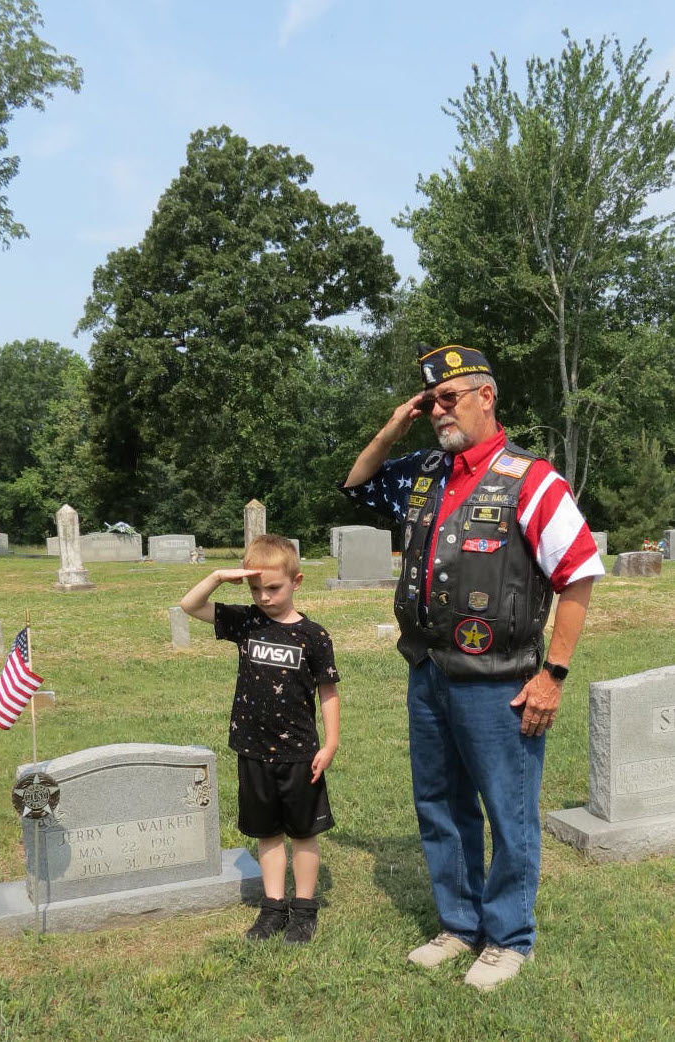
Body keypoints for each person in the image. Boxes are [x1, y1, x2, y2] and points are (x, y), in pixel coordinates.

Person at [341, 344, 604, 990]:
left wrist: (554, 675)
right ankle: (459, 925)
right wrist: (392, 426)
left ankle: (509, 937)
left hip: (501, 681)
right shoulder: (425, 471)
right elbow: (355, 485)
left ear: (486, 397)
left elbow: (577, 577)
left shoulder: (532, 479)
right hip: (429, 671)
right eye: (430, 401)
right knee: (440, 804)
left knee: (508, 811)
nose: (438, 410)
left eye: (449, 398)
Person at [180, 534, 340, 944]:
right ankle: (273, 907)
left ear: (296, 582)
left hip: (299, 752)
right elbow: (190, 605)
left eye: (273, 587)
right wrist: (217, 575)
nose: (264, 597)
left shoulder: (314, 637)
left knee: (303, 833)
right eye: (256, 589)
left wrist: (331, 743)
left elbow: (327, 691)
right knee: (267, 833)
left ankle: (304, 909)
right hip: (252, 748)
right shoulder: (246, 622)